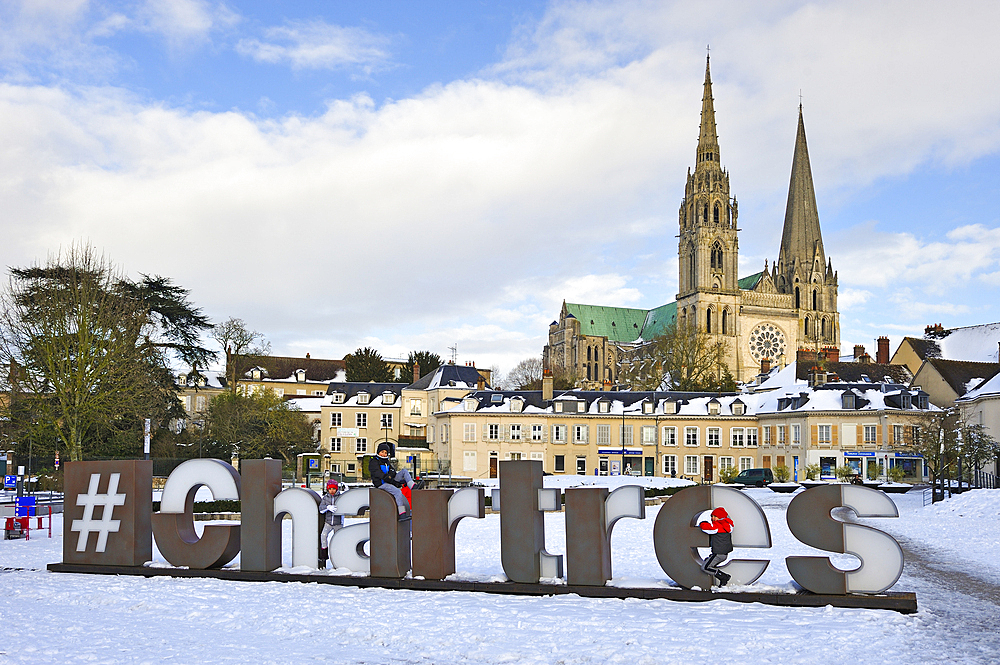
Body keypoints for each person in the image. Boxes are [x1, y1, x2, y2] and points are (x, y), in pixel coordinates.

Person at [369, 442, 424, 521]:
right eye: (382, 452)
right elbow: (377, 472)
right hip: (381, 483)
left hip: (389, 480)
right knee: (397, 492)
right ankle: (401, 513)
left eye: (385, 453)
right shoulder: (374, 461)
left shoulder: (387, 462)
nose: (383, 454)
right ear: (378, 452)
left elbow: (393, 472)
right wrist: (387, 477)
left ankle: (413, 486)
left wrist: (398, 481)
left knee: (404, 471)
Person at [698, 506, 734, 587]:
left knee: (705, 567)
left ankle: (724, 577)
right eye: (712, 516)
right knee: (708, 562)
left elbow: (706, 528)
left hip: (718, 553)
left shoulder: (717, 527)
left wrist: (702, 523)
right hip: (724, 554)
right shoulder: (728, 525)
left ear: (720, 517)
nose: (713, 518)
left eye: (715, 516)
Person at [319, 479, 343, 568]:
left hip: (338, 523)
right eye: (330, 489)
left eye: (334, 489)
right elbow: (321, 509)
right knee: (323, 535)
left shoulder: (340, 497)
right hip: (328, 522)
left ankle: (338, 557)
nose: (332, 491)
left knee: (338, 539)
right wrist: (327, 507)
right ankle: (324, 554)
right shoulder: (325, 498)